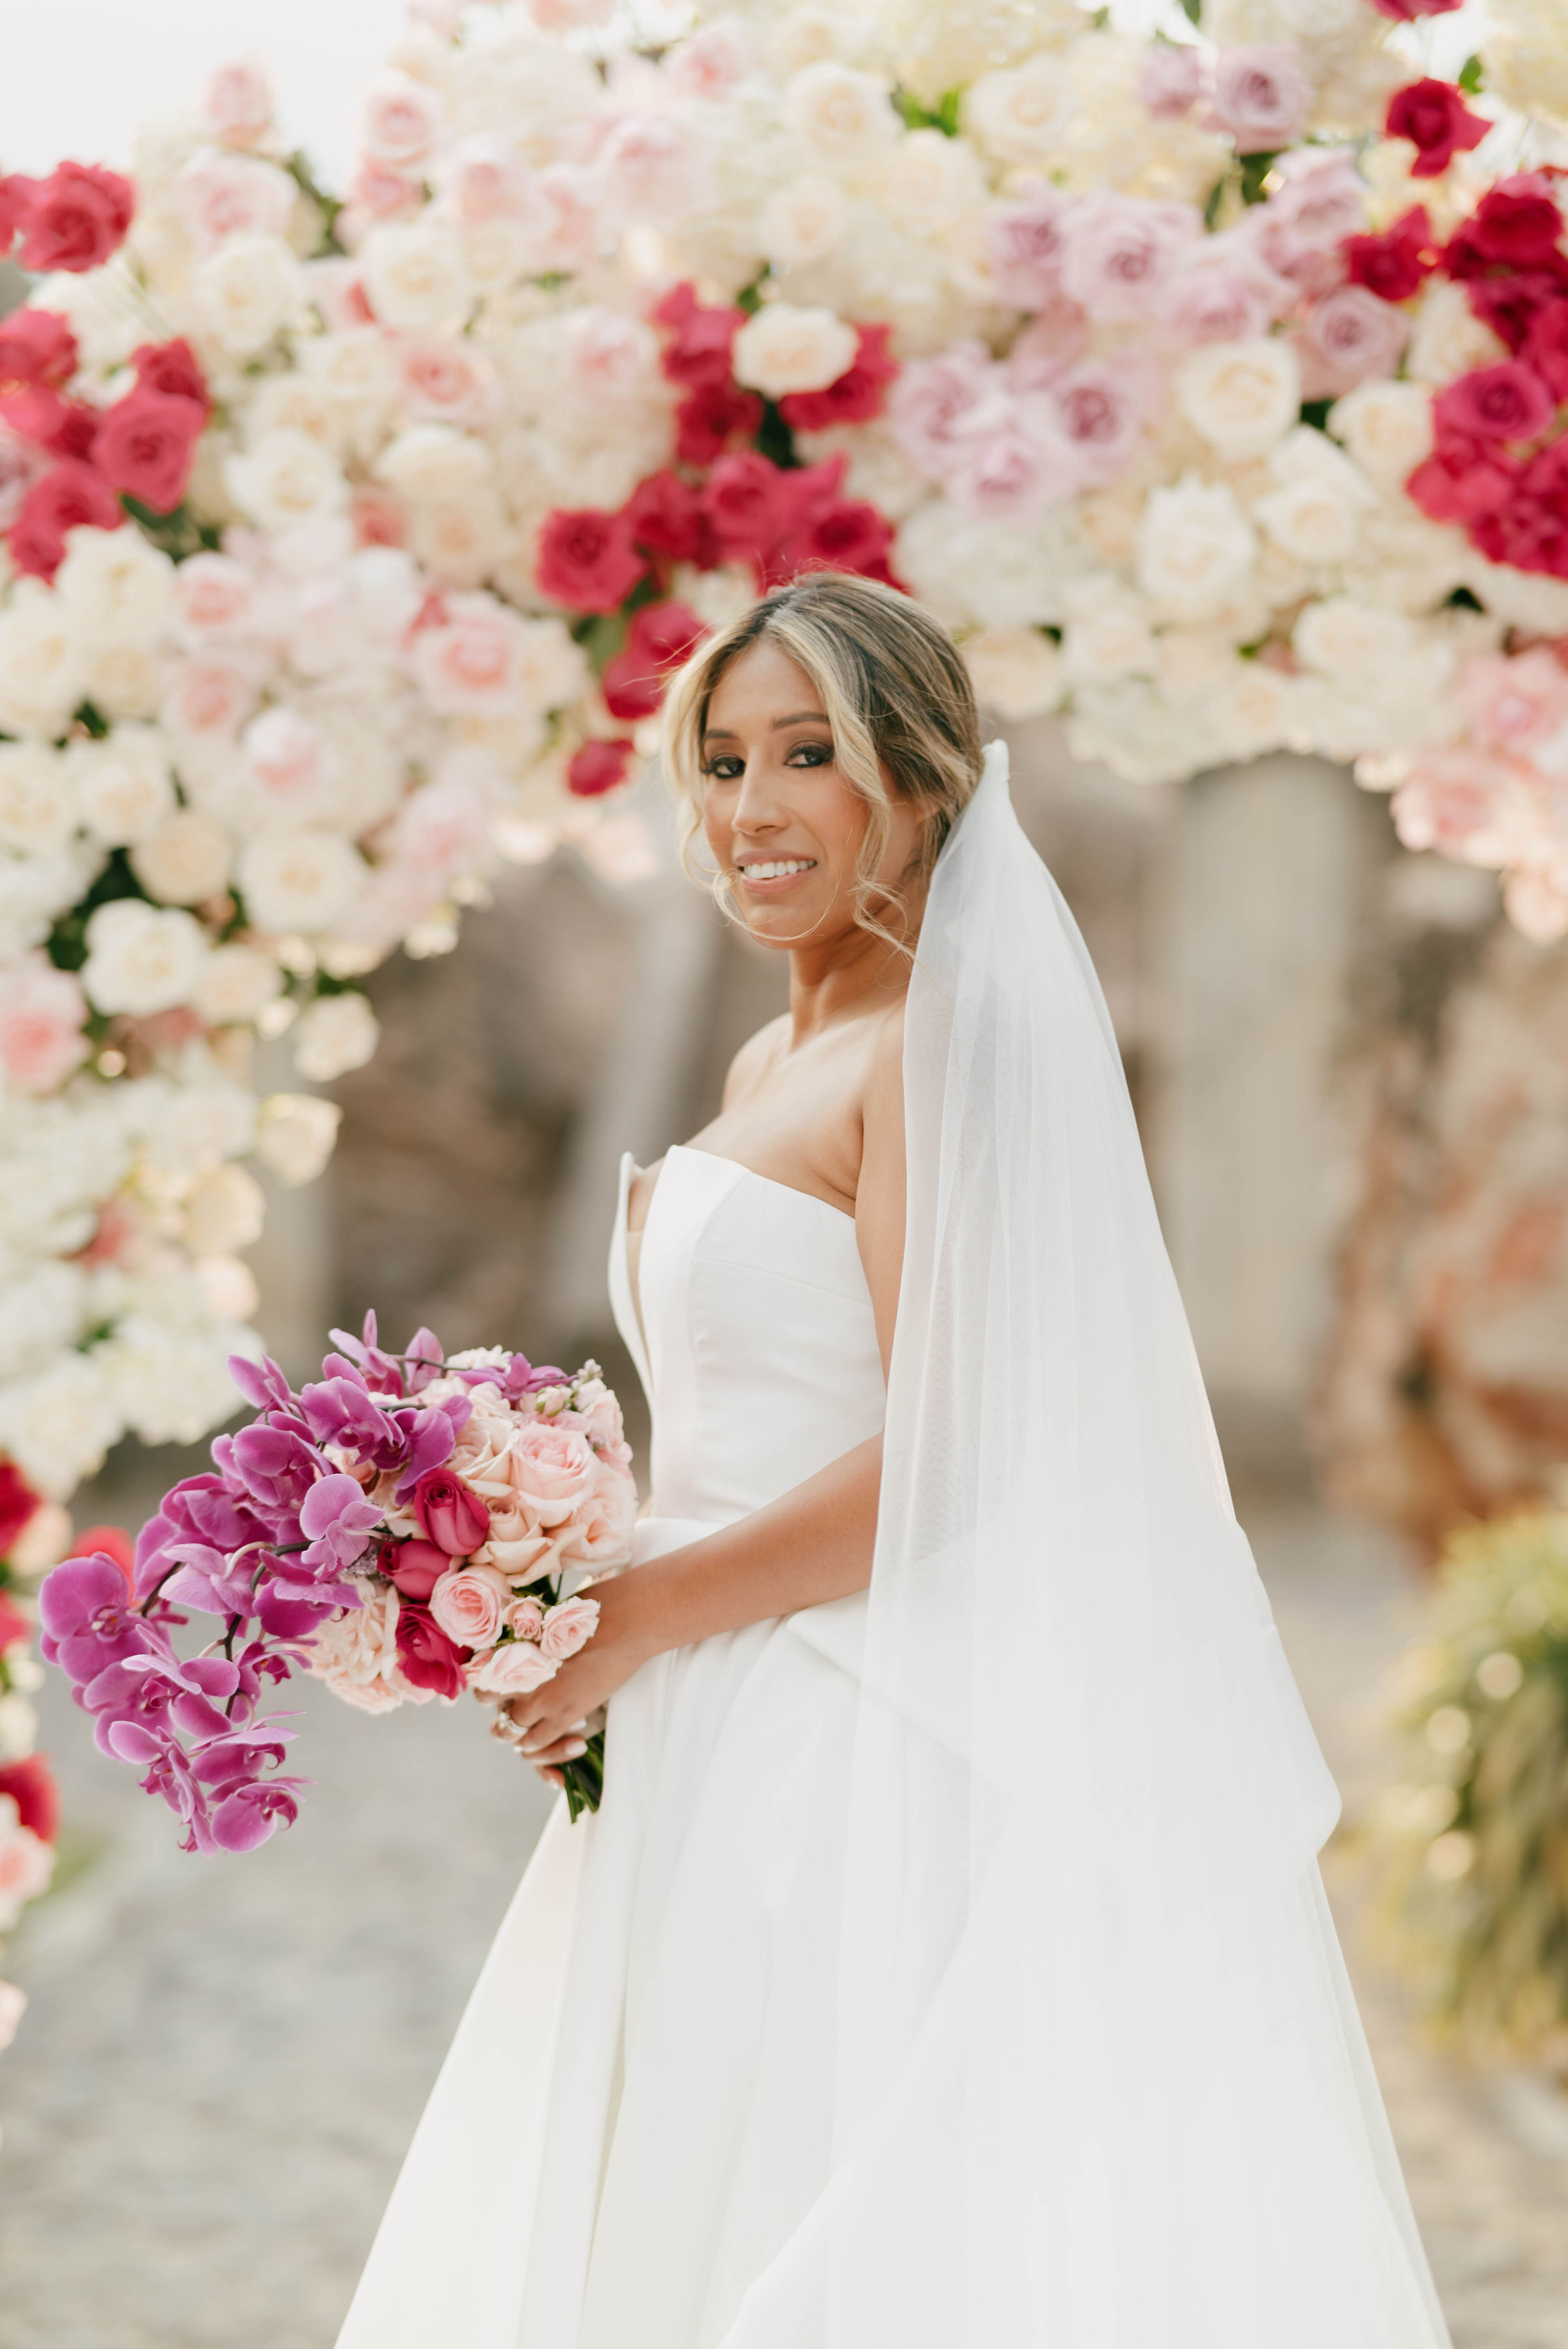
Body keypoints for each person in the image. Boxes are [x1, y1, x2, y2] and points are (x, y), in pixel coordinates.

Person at [337, 572, 1451, 2348]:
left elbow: (961, 1448)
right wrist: (537, 1572)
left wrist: (632, 1616)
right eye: (721, 758)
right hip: (705, 1705)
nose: (751, 805)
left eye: (810, 756)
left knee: (829, 2231)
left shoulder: (932, 1054)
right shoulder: (776, 1046)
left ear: (921, 786)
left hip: (848, 1731)